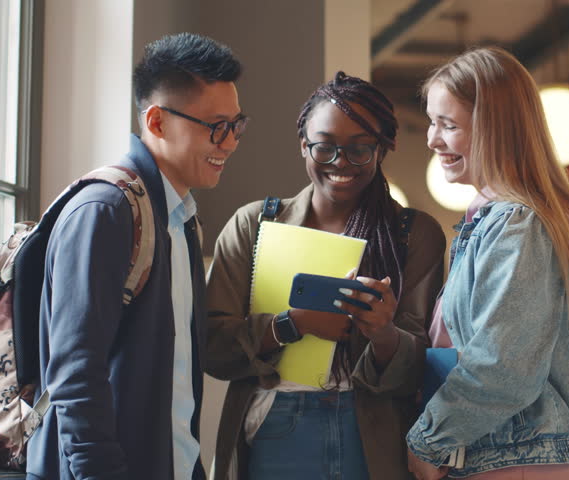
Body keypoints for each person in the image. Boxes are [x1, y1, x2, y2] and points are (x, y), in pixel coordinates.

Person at [25, 33, 247, 480]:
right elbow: (74, 377)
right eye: (216, 127)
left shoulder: (179, 218)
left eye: (237, 125)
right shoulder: (106, 212)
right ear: (158, 122)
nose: (230, 143)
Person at [204, 71, 446, 480]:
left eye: (360, 150)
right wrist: (292, 325)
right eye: (325, 148)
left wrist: (382, 332)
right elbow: (213, 348)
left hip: (373, 435)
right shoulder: (253, 225)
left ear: (383, 149)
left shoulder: (413, 234)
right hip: (276, 424)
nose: (341, 164)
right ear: (304, 145)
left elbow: (419, 370)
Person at [405, 46, 569, 479]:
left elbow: (504, 364)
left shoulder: (517, 223)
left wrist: (428, 440)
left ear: (494, 128)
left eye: (448, 124)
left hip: (515, 459)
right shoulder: (501, 220)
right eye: (431, 122)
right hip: (511, 455)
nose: (432, 139)